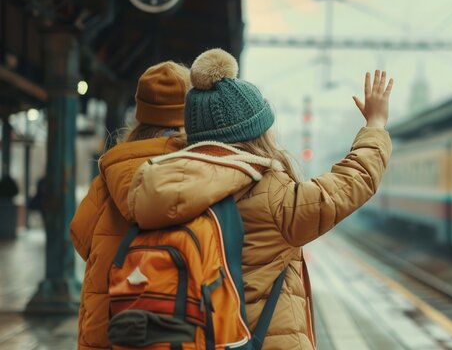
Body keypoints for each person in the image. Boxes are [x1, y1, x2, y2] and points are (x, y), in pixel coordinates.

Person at [127, 49, 393, 350]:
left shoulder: (155, 185)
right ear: (257, 133)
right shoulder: (270, 194)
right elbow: (351, 182)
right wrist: (375, 126)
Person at [70, 61, 191, 350]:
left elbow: (80, 236)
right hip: (177, 330)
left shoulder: (110, 173)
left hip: (109, 328)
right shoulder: (198, 172)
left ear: (140, 112)